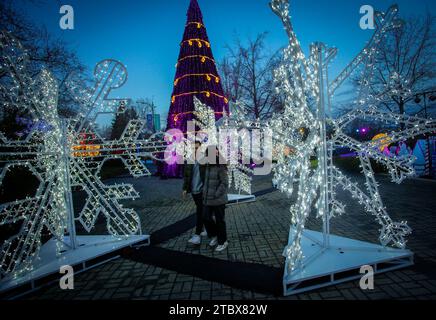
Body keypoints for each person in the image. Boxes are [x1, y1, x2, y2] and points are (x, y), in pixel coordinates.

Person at [202, 146, 229, 252]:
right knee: (205, 217)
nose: (207, 157)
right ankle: (214, 235)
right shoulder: (208, 166)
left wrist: (216, 194)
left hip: (218, 199)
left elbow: (225, 183)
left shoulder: (221, 166)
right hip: (207, 198)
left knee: (219, 221)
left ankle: (223, 241)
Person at [183, 141, 207, 245]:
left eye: (197, 148)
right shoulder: (189, 160)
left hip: (203, 191)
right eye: (193, 148)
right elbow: (187, 176)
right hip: (194, 190)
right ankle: (208, 229)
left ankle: (197, 235)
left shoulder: (205, 160)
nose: (195, 150)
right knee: (203, 211)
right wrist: (184, 188)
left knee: (200, 212)